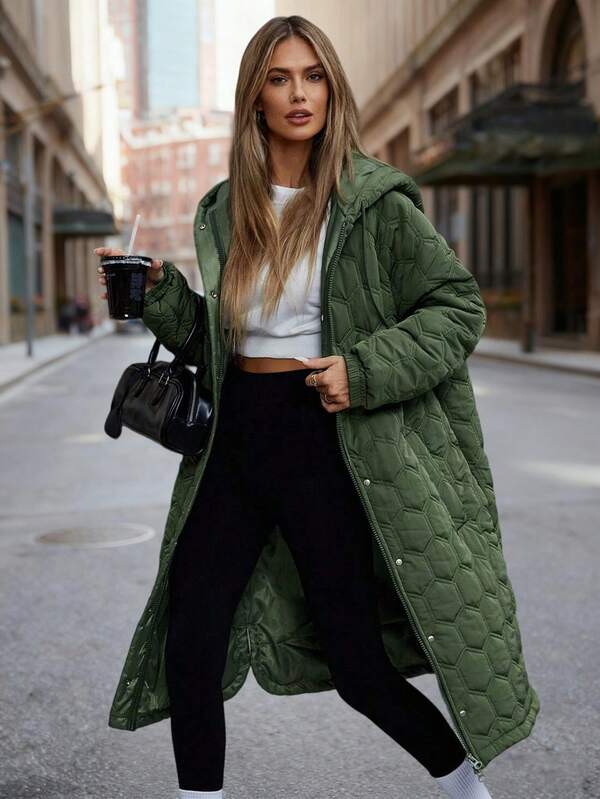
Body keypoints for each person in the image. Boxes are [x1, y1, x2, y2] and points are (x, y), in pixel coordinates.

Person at [97, 15, 538, 799]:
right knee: (191, 641)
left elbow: (457, 308)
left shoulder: (372, 201)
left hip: (322, 436)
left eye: (313, 76)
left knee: (358, 664)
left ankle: (465, 786)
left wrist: (362, 371)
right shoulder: (229, 207)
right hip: (234, 440)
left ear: (332, 89)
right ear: (254, 97)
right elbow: (221, 340)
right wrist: (163, 295)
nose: (298, 94)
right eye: (278, 77)